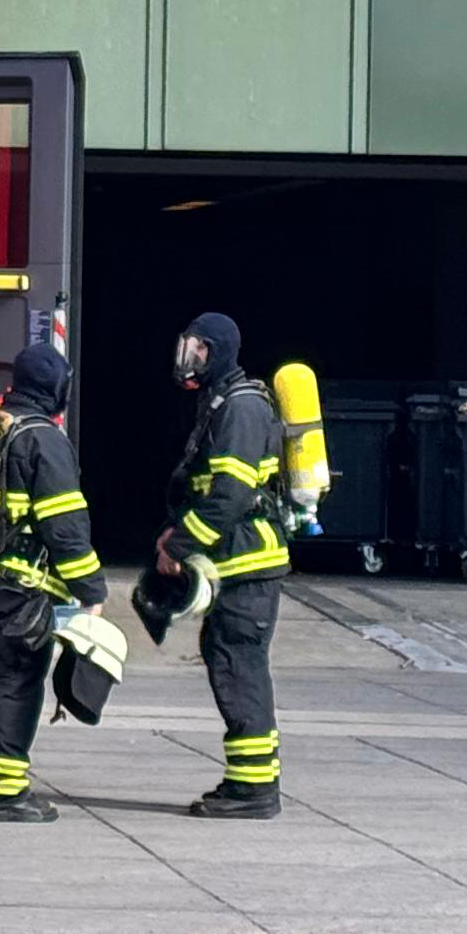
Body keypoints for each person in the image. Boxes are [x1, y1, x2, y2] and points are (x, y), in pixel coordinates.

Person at [0, 329, 103, 822]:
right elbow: (65, 526)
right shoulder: (44, 440)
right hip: (21, 591)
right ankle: (4, 793)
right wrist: (91, 590)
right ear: (56, 387)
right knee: (14, 685)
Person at [159, 310, 289, 820]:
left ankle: (254, 790)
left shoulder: (240, 407)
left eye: (195, 346)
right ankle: (247, 783)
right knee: (229, 661)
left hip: (247, 560)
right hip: (235, 562)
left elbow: (231, 495)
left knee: (240, 667)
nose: (187, 355)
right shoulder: (221, 402)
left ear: (211, 350)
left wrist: (182, 546)